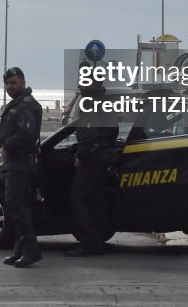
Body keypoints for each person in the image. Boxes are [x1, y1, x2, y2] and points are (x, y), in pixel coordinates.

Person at [66, 80, 118, 257]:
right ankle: (98, 242)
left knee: (77, 198)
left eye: (84, 81)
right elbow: (114, 131)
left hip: (92, 160)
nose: (79, 84)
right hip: (104, 158)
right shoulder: (105, 102)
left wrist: (81, 156)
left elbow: (89, 134)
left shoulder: (89, 103)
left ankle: (88, 243)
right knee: (97, 201)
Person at [0, 66, 43, 268]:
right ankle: (20, 250)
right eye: (7, 84)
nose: (10, 87)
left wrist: (8, 146)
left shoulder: (25, 105)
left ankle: (31, 250)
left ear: (23, 82)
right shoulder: (17, 103)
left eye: (13, 83)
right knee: (20, 208)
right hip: (17, 163)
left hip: (20, 163)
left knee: (16, 206)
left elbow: (27, 134)